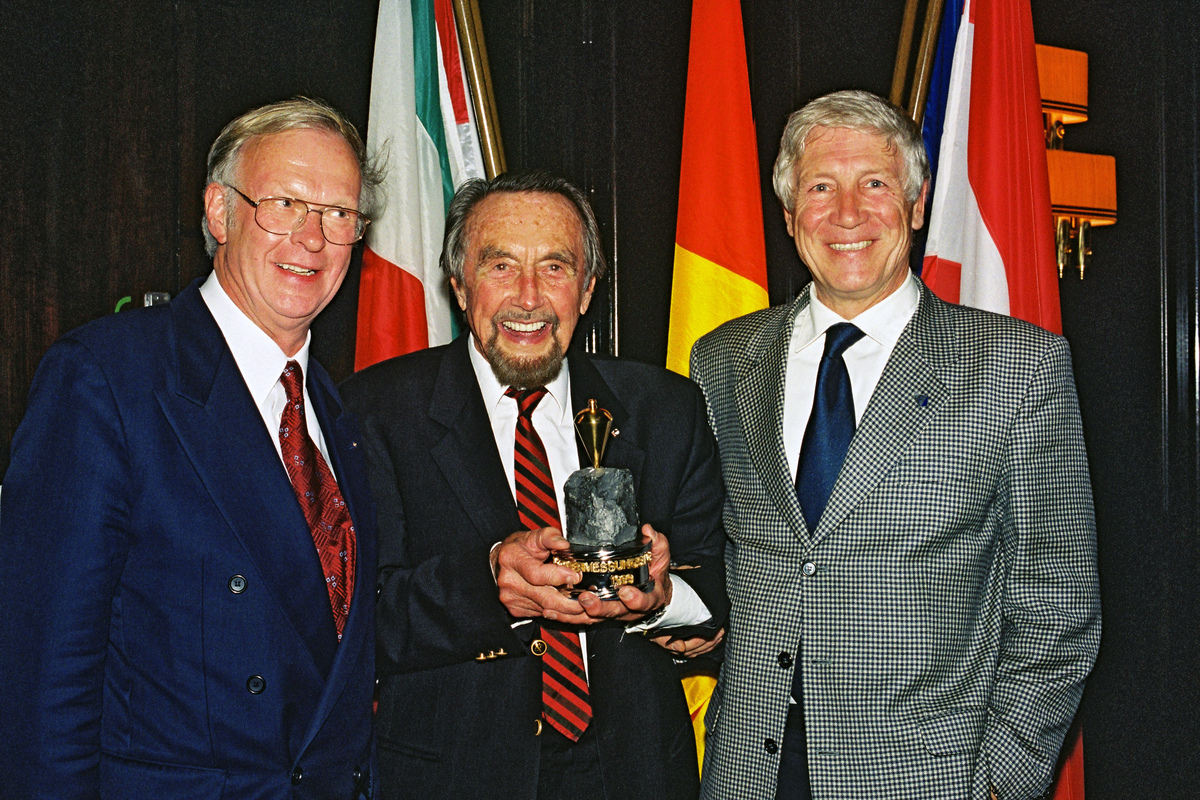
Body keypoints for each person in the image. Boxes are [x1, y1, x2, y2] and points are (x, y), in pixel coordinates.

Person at [690, 90, 1101, 800]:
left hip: (929, 777)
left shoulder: (1017, 367)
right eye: (821, 187)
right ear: (788, 214)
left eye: (875, 184)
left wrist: (1000, 783)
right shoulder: (723, 360)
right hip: (747, 773)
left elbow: (1058, 602)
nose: (848, 214)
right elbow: (713, 555)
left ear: (916, 206)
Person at [0, 97, 383, 799]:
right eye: (284, 204)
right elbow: (41, 685)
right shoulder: (108, 379)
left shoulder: (338, 412)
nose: (312, 239)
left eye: (338, 214)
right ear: (219, 212)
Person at [340, 169, 728, 800]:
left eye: (554, 267)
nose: (527, 298)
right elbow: (353, 618)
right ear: (459, 285)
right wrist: (487, 582)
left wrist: (662, 598)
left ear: (587, 289)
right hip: (454, 777)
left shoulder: (665, 408)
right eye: (500, 266)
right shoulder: (374, 412)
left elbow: (719, 582)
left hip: (635, 773)